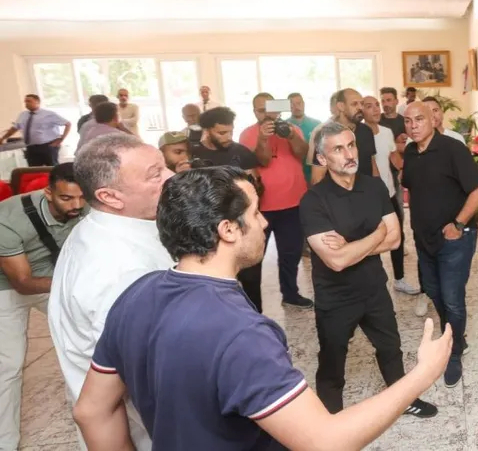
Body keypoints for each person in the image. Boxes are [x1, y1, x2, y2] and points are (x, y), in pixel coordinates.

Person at [71, 167, 452, 450]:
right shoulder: (241, 334)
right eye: (255, 213)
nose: (265, 221)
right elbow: (326, 442)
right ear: (228, 229)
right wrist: (423, 374)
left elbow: (91, 410)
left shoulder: (137, 294)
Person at [300, 123, 436, 417]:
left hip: (374, 287)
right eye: (338, 149)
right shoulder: (314, 201)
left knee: (391, 347)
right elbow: (336, 261)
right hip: (335, 298)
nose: (349, 154)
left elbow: (396, 238)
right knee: (333, 360)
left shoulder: (374, 186)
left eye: (351, 145)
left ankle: (403, 400)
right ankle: (329, 422)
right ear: (322, 159)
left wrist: (350, 246)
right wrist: (375, 235)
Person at [49, 134, 175, 450]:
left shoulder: (116, 228)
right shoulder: (117, 271)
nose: (172, 177)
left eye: (164, 166)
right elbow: (138, 375)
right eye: (155, 173)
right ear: (111, 196)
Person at [401, 102, 478, 387]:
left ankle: (453, 353)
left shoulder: (452, 149)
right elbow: (413, 188)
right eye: (408, 121)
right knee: (435, 293)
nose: (413, 125)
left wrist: (459, 224)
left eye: (419, 119)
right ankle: (455, 336)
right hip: (424, 240)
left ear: (433, 119)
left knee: (452, 299)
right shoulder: (411, 152)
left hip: (454, 239)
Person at [0, 163, 86, 449]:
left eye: (81, 197)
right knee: (8, 364)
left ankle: (93, 428)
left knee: (86, 345)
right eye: (66, 198)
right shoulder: (8, 218)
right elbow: (22, 283)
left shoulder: (88, 205)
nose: (76, 205)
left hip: (52, 276)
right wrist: (75, 278)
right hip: (8, 285)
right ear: (48, 192)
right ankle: (5, 443)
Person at [239, 93, 313, 312]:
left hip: (293, 203)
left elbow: (303, 154)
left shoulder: (291, 129)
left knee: (290, 254)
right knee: (254, 257)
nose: (266, 114)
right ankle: (253, 304)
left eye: (269, 109)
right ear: (254, 112)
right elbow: (262, 160)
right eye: (260, 110)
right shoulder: (248, 134)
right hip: (260, 207)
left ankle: (290, 294)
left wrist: (291, 136)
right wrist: (263, 138)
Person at [363, 97, 417, 296]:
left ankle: (400, 279)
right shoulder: (358, 134)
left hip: (390, 194)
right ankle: (370, 284)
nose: (376, 109)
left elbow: (393, 157)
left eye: (376, 105)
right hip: (369, 198)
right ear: (361, 111)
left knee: (397, 236)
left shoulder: (386, 132)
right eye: (369, 106)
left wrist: (407, 172)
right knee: (370, 240)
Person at [308, 89, 378, 185]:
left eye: (361, 104)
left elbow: (372, 164)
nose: (360, 107)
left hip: (365, 193)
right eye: (354, 104)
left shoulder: (366, 131)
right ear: (341, 106)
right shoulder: (326, 135)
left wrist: (379, 188)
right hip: (337, 196)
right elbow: (317, 177)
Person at [1, 94, 70, 166]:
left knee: (52, 169)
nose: (26, 103)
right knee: (33, 170)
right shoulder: (23, 115)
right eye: (25, 102)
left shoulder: (48, 114)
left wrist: (61, 139)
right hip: (31, 147)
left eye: (29, 101)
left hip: (48, 146)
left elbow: (68, 124)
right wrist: (3, 138)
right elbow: (14, 128)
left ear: (37, 102)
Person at [191, 107, 260, 170]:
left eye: (231, 132)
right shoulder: (193, 154)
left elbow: (253, 180)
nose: (229, 137)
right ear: (207, 131)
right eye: (222, 133)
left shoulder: (242, 152)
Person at [285, 93, 321, 184]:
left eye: (299, 103)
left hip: (314, 173)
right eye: (292, 104)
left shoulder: (317, 124)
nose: (296, 107)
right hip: (292, 176)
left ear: (303, 104)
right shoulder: (284, 127)